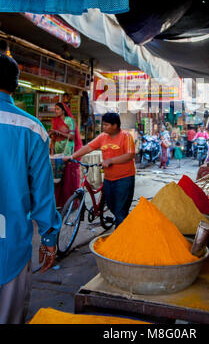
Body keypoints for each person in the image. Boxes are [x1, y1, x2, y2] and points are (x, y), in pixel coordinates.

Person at [0, 54, 61, 324]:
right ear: (15, 85)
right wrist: (49, 239)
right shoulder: (32, 128)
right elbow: (43, 193)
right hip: (11, 246)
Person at [64, 112, 135, 228]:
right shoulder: (103, 137)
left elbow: (130, 155)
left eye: (106, 125)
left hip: (124, 179)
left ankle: (120, 240)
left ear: (115, 125)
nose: (103, 127)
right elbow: (88, 147)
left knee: (120, 211)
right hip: (108, 178)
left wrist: (110, 161)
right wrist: (72, 157)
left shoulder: (126, 136)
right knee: (112, 207)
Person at [49, 102, 83, 208]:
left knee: (68, 178)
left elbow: (72, 137)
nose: (56, 111)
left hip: (67, 151)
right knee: (58, 179)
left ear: (63, 110)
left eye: (58, 109)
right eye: (55, 109)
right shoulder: (55, 121)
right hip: (57, 151)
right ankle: (59, 202)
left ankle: (69, 203)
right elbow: (54, 138)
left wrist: (58, 133)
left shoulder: (69, 121)